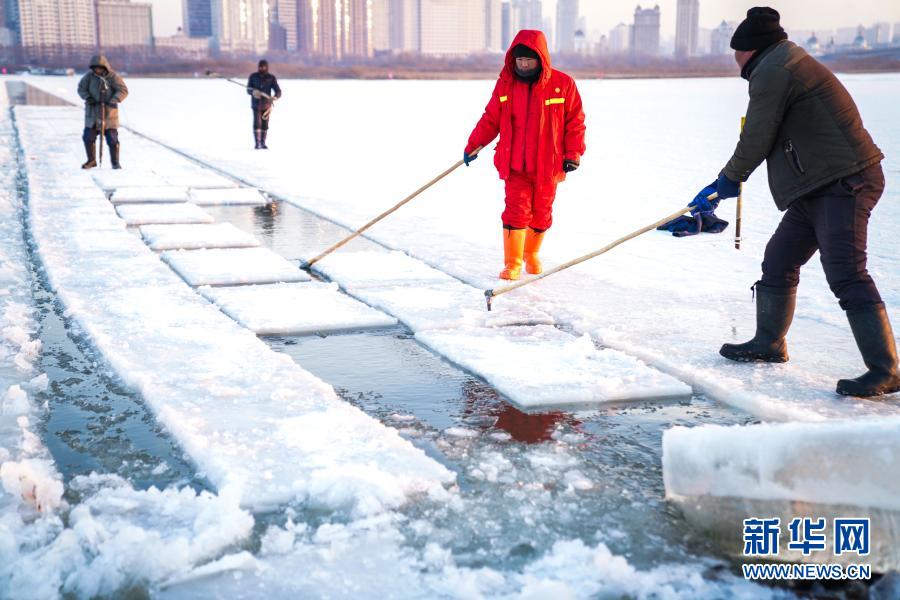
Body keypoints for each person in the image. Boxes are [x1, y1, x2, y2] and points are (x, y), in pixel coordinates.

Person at [688, 7, 898, 398]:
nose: (734, 60)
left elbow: (756, 136)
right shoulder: (782, 63)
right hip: (817, 185)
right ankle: (769, 343)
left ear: (749, 50)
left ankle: (885, 369)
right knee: (779, 260)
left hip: (845, 181)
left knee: (846, 273)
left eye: (736, 52)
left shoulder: (775, 70)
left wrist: (729, 179)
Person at [464, 30, 586, 280]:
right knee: (516, 211)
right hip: (514, 165)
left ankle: (531, 253)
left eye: (528, 60)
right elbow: (491, 118)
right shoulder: (506, 84)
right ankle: (513, 263)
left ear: (541, 59)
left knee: (542, 212)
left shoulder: (563, 84)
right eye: (519, 60)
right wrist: (473, 145)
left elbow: (575, 122)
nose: (523, 64)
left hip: (548, 165)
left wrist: (573, 153)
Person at [77, 55, 128, 169]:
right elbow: (81, 88)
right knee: (88, 137)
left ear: (104, 67)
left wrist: (114, 100)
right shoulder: (88, 77)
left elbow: (123, 90)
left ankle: (115, 162)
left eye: (99, 68)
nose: (97, 70)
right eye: (95, 68)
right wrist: (88, 98)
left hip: (109, 114)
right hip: (93, 114)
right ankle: (91, 160)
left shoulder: (113, 77)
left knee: (112, 139)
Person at [247, 59, 281, 149]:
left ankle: (263, 142)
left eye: (263, 67)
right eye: (260, 67)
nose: (262, 68)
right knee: (257, 124)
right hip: (256, 105)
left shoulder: (271, 78)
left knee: (265, 125)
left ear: (267, 67)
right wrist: (253, 92)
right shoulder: (253, 77)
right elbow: (248, 89)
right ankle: (257, 143)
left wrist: (275, 97)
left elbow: (278, 91)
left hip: (266, 105)